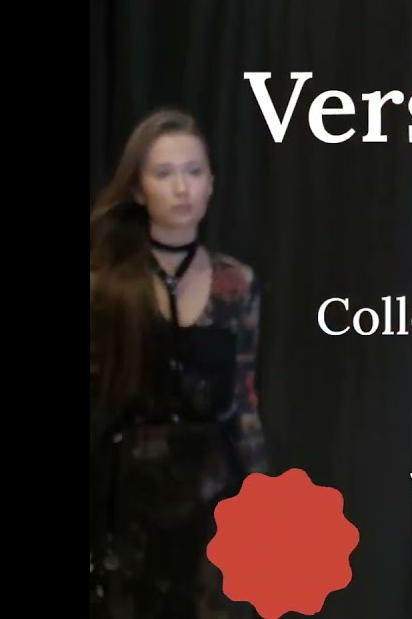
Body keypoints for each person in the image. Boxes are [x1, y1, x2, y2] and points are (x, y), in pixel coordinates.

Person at [90, 108, 269, 618]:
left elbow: (243, 401)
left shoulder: (236, 284)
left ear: (212, 183)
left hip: (210, 497)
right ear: (137, 188)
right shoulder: (106, 287)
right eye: (164, 173)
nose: (181, 187)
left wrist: (263, 496)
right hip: (122, 496)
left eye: (193, 171)